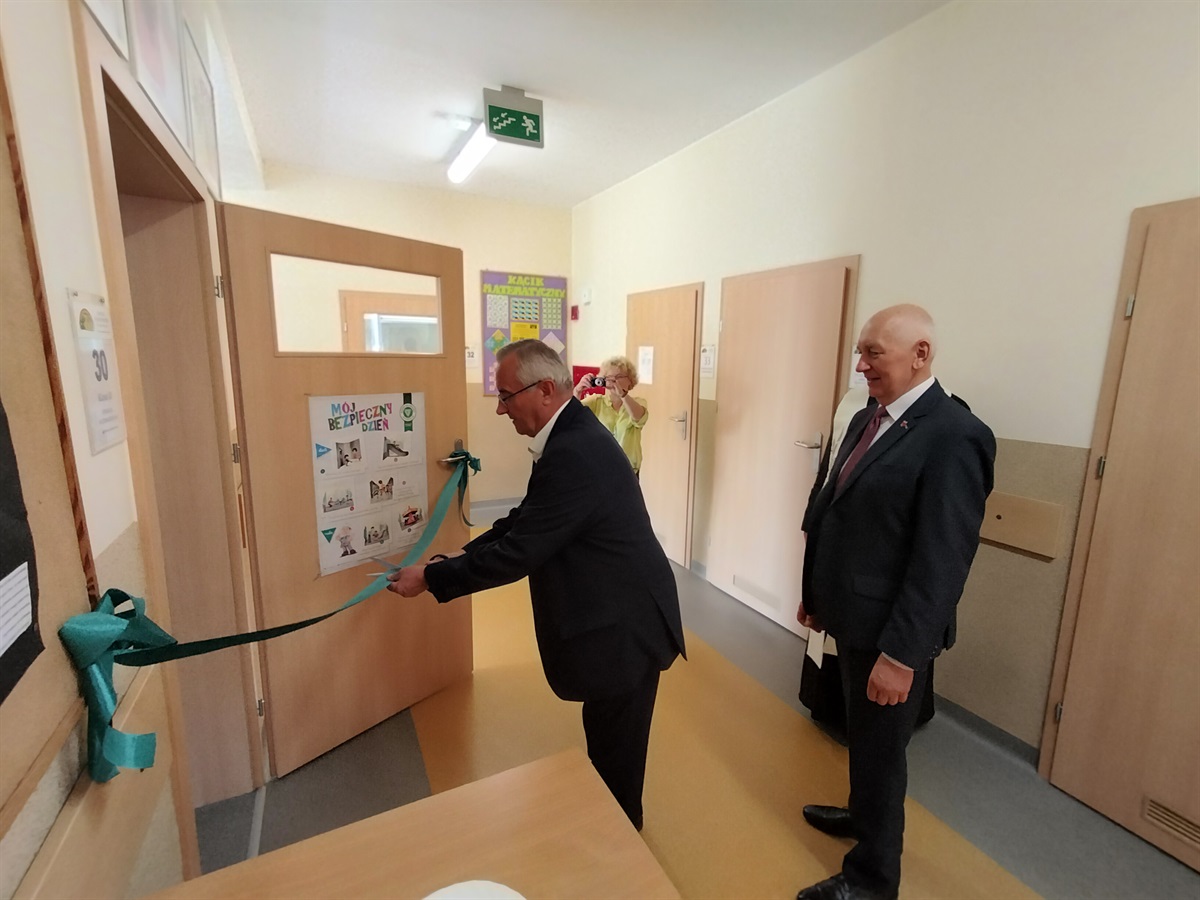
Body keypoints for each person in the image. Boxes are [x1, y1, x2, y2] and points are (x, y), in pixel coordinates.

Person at [387, 339, 685, 830]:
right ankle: (608, 829)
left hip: (626, 627)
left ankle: (619, 846)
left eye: (506, 397)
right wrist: (464, 554)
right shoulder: (567, 433)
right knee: (608, 738)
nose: (500, 409)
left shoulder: (574, 450)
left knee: (618, 757)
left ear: (545, 389)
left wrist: (432, 578)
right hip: (613, 616)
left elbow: (521, 552)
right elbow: (527, 518)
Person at [795, 305, 995, 900]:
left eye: (873, 353)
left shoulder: (955, 434)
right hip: (850, 614)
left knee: (882, 756)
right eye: (860, 352)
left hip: (893, 633)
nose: (860, 365)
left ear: (921, 354)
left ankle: (872, 880)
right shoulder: (867, 418)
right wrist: (814, 596)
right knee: (862, 737)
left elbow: (942, 560)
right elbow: (831, 507)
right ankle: (861, 816)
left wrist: (903, 657)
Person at [572, 355, 648, 476]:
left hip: (628, 470)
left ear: (630, 380)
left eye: (619, 377)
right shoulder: (596, 401)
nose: (613, 381)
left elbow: (638, 417)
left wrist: (623, 395)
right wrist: (577, 391)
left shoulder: (638, 403)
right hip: (600, 468)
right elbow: (572, 415)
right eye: (609, 378)